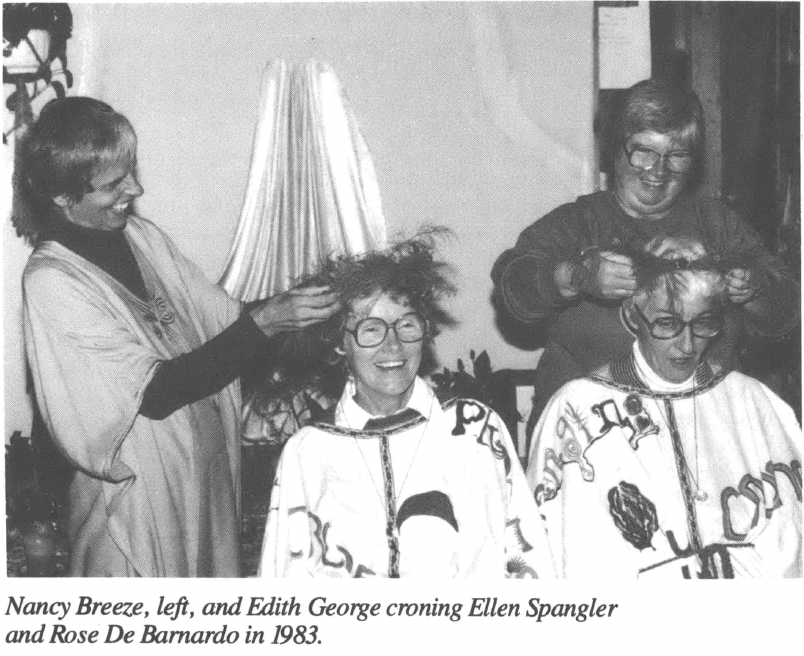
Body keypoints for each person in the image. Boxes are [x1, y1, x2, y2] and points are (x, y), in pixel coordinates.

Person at [17, 97, 340, 576]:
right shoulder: (52, 281)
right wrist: (268, 321)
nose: (136, 188)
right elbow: (154, 391)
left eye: (132, 170)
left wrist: (304, 307)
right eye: (114, 183)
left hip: (202, 488)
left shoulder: (141, 236)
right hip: (136, 509)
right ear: (64, 197)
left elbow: (229, 323)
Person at [491, 78, 799, 429]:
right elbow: (511, 288)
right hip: (589, 433)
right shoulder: (578, 222)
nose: (659, 169)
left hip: (704, 429)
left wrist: (752, 287)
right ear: (613, 151)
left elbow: (788, 309)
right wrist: (577, 276)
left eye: (677, 156)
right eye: (643, 152)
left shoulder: (717, 224)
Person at [259, 231, 555, 578]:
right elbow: (282, 579)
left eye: (407, 325)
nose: (393, 346)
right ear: (340, 344)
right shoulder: (308, 451)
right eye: (371, 330)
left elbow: (529, 561)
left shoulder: (474, 429)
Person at [525, 238, 802, 579]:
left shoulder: (750, 400)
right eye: (667, 324)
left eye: (704, 323)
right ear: (631, 316)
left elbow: (791, 537)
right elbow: (549, 550)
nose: (687, 345)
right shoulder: (575, 407)